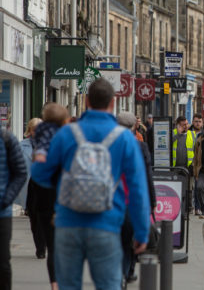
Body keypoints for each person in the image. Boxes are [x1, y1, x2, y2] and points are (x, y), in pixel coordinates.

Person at [31, 78, 150, 289]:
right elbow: (138, 190)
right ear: (113, 103)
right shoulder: (125, 138)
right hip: (106, 224)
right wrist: (141, 232)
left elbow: (40, 176)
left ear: (86, 101)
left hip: (68, 223)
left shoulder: (66, 133)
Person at [29, 103, 70, 290]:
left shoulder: (40, 134)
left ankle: (54, 283)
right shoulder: (67, 136)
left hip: (45, 197)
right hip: (65, 196)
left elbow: (36, 169)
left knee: (53, 246)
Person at [117, 112, 157, 285]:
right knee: (130, 238)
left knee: (117, 240)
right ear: (134, 126)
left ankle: (119, 274)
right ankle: (128, 272)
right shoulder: (140, 147)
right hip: (130, 201)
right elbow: (146, 176)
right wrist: (152, 200)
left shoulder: (106, 143)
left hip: (109, 203)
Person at [0, 125, 27, 289]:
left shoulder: (6, 138)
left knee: (2, 262)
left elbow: (21, 172)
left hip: (1, 213)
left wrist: (6, 199)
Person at [16, 118, 42, 209]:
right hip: (27, 184)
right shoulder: (21, 145)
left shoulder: (49, 145)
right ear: (30, 131)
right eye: (34, 130)